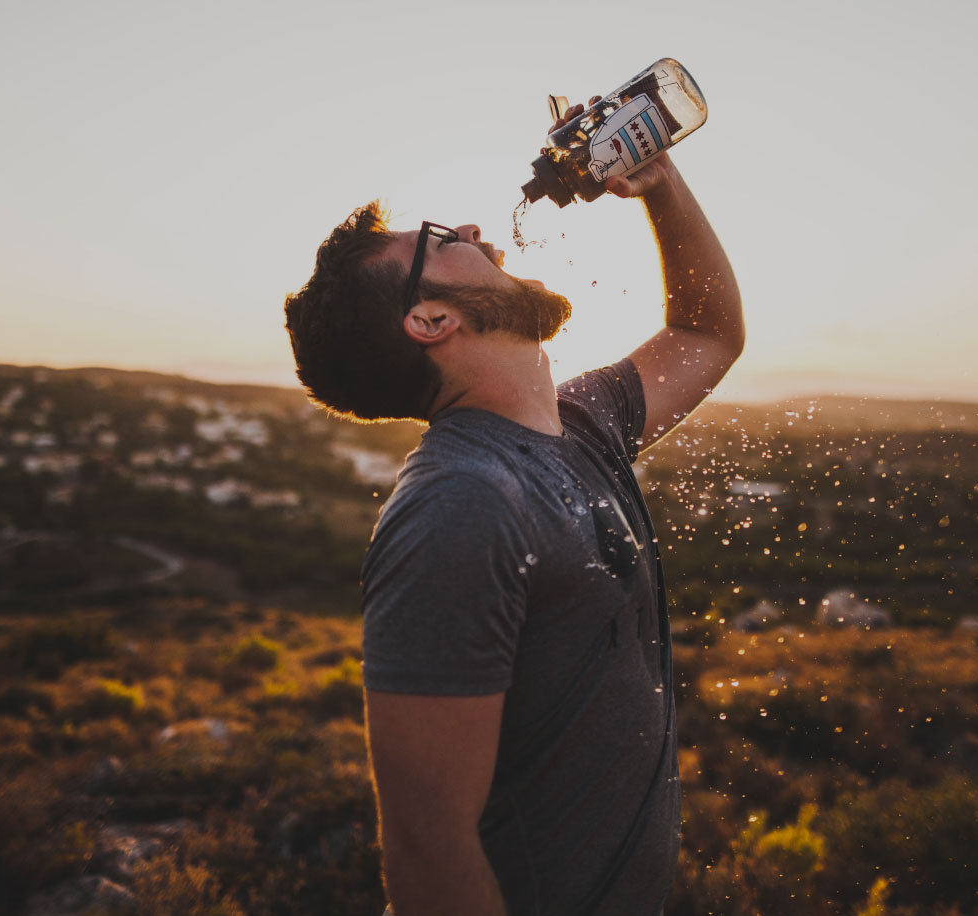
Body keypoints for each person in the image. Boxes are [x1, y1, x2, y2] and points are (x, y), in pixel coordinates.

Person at [282, 99, 743, 916]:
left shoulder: (581, 425)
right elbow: (429, 854)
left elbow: (707, 332)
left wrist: (661, 182)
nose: (474, 231)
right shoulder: (460, 508)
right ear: (431, 319)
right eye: (443, 242)